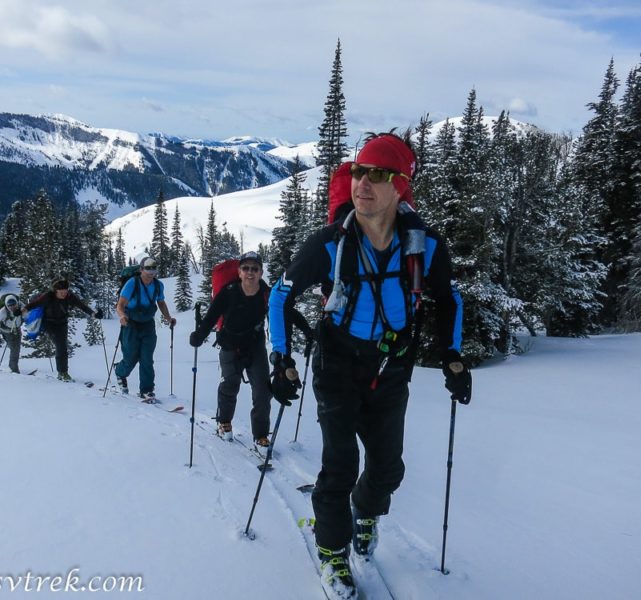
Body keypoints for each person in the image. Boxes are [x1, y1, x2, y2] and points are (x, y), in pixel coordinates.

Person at [268, 132, 471, 599]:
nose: (363, 182)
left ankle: (365, 513)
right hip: (337, 364)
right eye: (359, 171)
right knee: (339, 465)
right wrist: (282, 358)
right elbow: (280, 295)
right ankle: (333, 553)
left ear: (401, 187)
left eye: (378, 175)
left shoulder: (425, 247)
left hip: (392, 367)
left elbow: (448, 297)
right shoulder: (329, 245)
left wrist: (453, 358)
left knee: (386, 469)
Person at [188, 251, 275, 446]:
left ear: (261, 272)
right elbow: (211, 317)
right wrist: (199, 336)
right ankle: (224, 422)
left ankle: (260, 435)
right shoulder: (228, 292)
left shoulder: (266, 293)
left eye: (255, 268)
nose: (250, 272)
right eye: (246, 268)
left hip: (255, 346)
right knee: (230, 385)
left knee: (262, 390)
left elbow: (281, 312)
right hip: (229, 345)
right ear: (239, 271)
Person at [114, 256, 176, 401]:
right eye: (147, 268)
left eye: (153, 268)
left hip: (148, 323)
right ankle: (119, 371)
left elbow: (161, 303)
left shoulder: (158, 285)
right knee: (130, 358)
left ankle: (147, 390)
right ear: (141, 269)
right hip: (131, 323)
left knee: (147, 358)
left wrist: (168, 318)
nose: (150, 271)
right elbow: (121, 304)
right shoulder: (131, 284)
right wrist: (122, 316)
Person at [23, 278, 102, 381]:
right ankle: (62, 373)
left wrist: (94, 314)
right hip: (49, 323)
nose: (64, 293)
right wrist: (21, 311)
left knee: (63, 347)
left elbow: (82, 306)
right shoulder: (48, 296)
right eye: (61, 291)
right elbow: (34, 304)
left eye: (66, 290)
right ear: (55, 290)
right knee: (61, 346)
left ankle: (63, 372)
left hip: (62, 323)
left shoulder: (69, 296)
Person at [0, 294, 24, 374]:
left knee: (16, 349)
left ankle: (13, 367)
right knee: (14, 349)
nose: (12, 307)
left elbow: (29, 314)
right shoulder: (3, 311)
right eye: (9, 305)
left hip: (17, 330)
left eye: (13, 304)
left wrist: (21, 312)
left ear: (17, 303)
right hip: (6, 332)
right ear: (7, 305)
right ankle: (14, 369)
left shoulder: (21, 306)